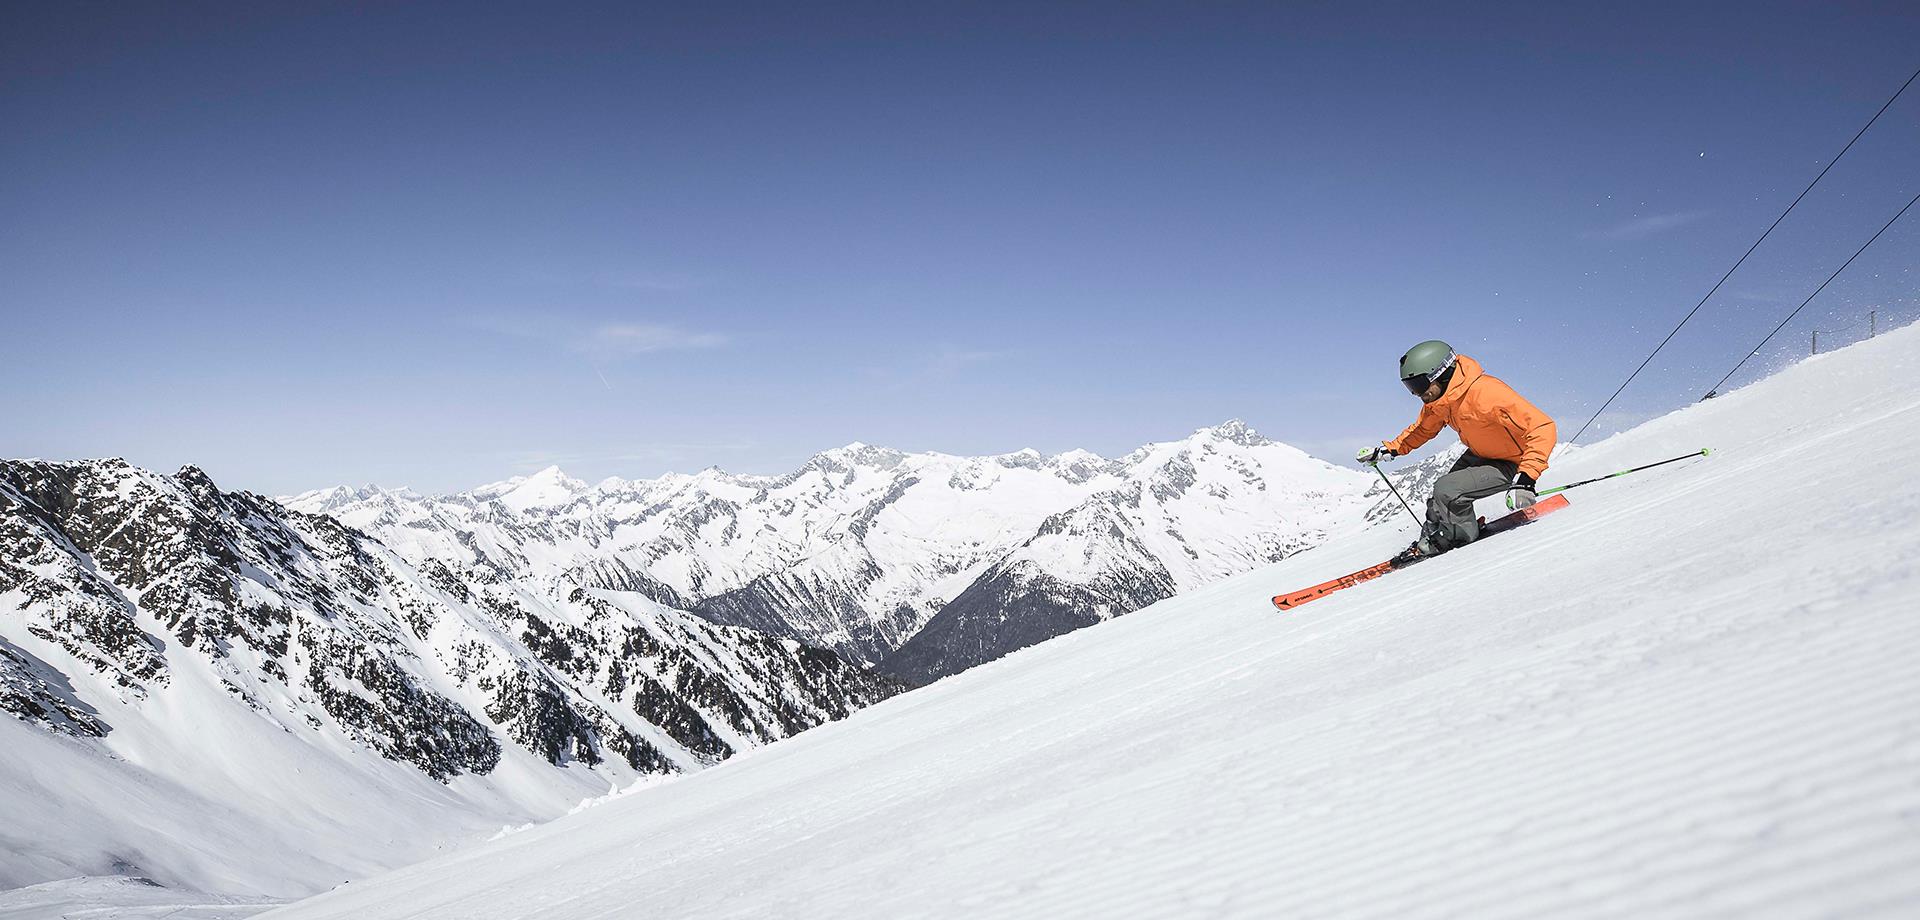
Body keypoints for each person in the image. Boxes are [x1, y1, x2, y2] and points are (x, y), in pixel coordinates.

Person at [1357, 340, 1557, 557]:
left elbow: (1542, 427)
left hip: (1512, 463)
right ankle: (1434, 535)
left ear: (1441, 373)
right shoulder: (1442, 401)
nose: (1416, 394)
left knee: (1448, 492)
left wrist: (1526, 479)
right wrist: (1389, 450)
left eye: (1419, 385)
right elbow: (1422, 430)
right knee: (1438, 499)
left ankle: (1458, 539)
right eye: (1410, 387)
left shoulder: (1487, 392)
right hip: (1482, 454)